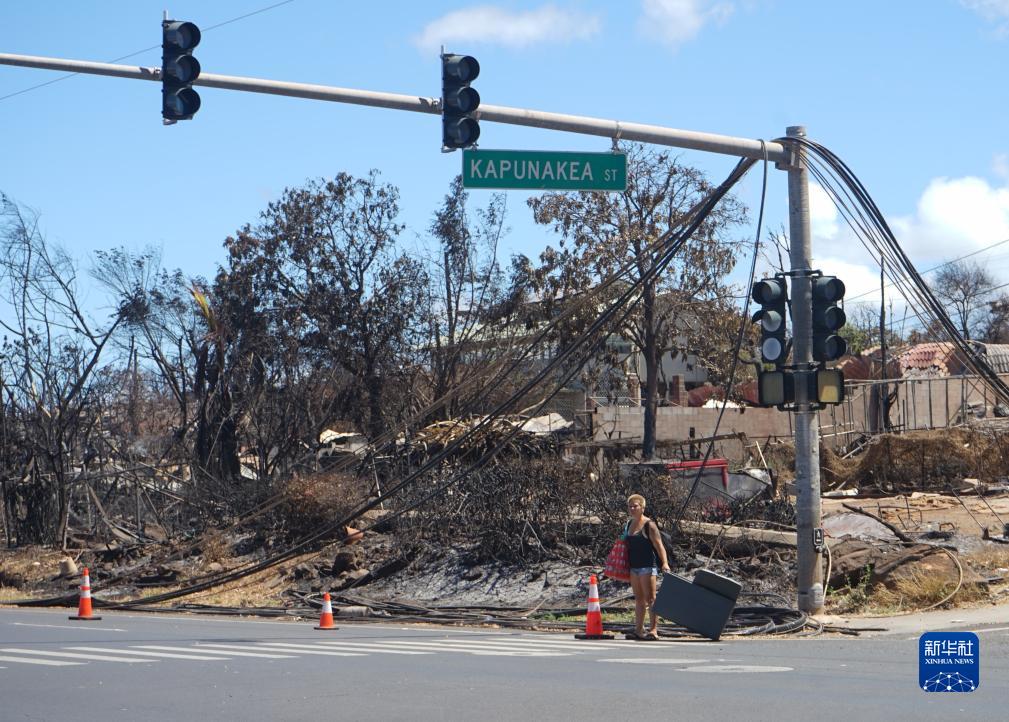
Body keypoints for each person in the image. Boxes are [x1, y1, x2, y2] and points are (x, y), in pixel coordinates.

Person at [624, 493, 670, 640]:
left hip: (648, 566)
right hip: (634, 566)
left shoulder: (649, 524)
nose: (632, 509)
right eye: (630, 506)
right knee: (639, 599)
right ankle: (638, 630)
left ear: (642, 507)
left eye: (635, 506)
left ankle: (654, 630)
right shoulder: (629, 524)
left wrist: (665, 563)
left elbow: (659, 546)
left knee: (651, 599)